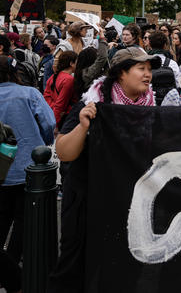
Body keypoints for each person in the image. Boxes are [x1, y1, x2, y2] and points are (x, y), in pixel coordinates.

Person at [50, 48, 162, 293]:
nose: (148, 75)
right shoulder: (93, 103)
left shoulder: (152, 107)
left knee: (124, 268)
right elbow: (64, 152)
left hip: (127, 204)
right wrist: (83, 126)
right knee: (74, 267)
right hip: (86, 201)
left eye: (150, 70)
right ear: (121, 74)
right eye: (141, 69)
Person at [0, 55, 55, 264]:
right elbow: (49, 123)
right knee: (23, 219)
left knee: (2, 215)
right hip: (29, 166)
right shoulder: (29, 94)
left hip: (3, 169)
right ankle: (12, 263)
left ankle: (6, 266)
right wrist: (44, 142)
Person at [43, 50, 78, 126]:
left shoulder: (53, 77)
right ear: (71, 63)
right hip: (63, 119)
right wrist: (55, 124)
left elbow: (46, 97)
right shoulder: (69, 80)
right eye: (76, 62)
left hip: (52, 114)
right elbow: (60, 104)